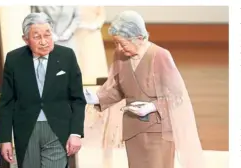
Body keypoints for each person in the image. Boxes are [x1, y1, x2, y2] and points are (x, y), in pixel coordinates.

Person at [84, 10, 204, 168]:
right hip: (133, 128)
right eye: (116, 43)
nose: (119, 47)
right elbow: (119, 88)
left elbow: (177, 96)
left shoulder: (160, 55)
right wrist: (97, 98)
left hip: (158, 130)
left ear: (139, 38)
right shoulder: (120, 55)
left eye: (123, 43)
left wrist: (151, 107)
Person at [0, 12, 86, 168]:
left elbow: (78, 99)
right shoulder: (13, 59)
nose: (44, 41)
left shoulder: (66, 56)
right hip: (26, 130)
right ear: (26, 39)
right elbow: (6, 102)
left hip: (57, 128)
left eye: (48, 35)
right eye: (37, 37)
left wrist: (76, 133)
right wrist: (5, 139)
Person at [74, 6, 108, 85]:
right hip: (76, 33)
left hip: (92, 34)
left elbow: (102, 15)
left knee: (93, 61)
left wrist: (94, 25)